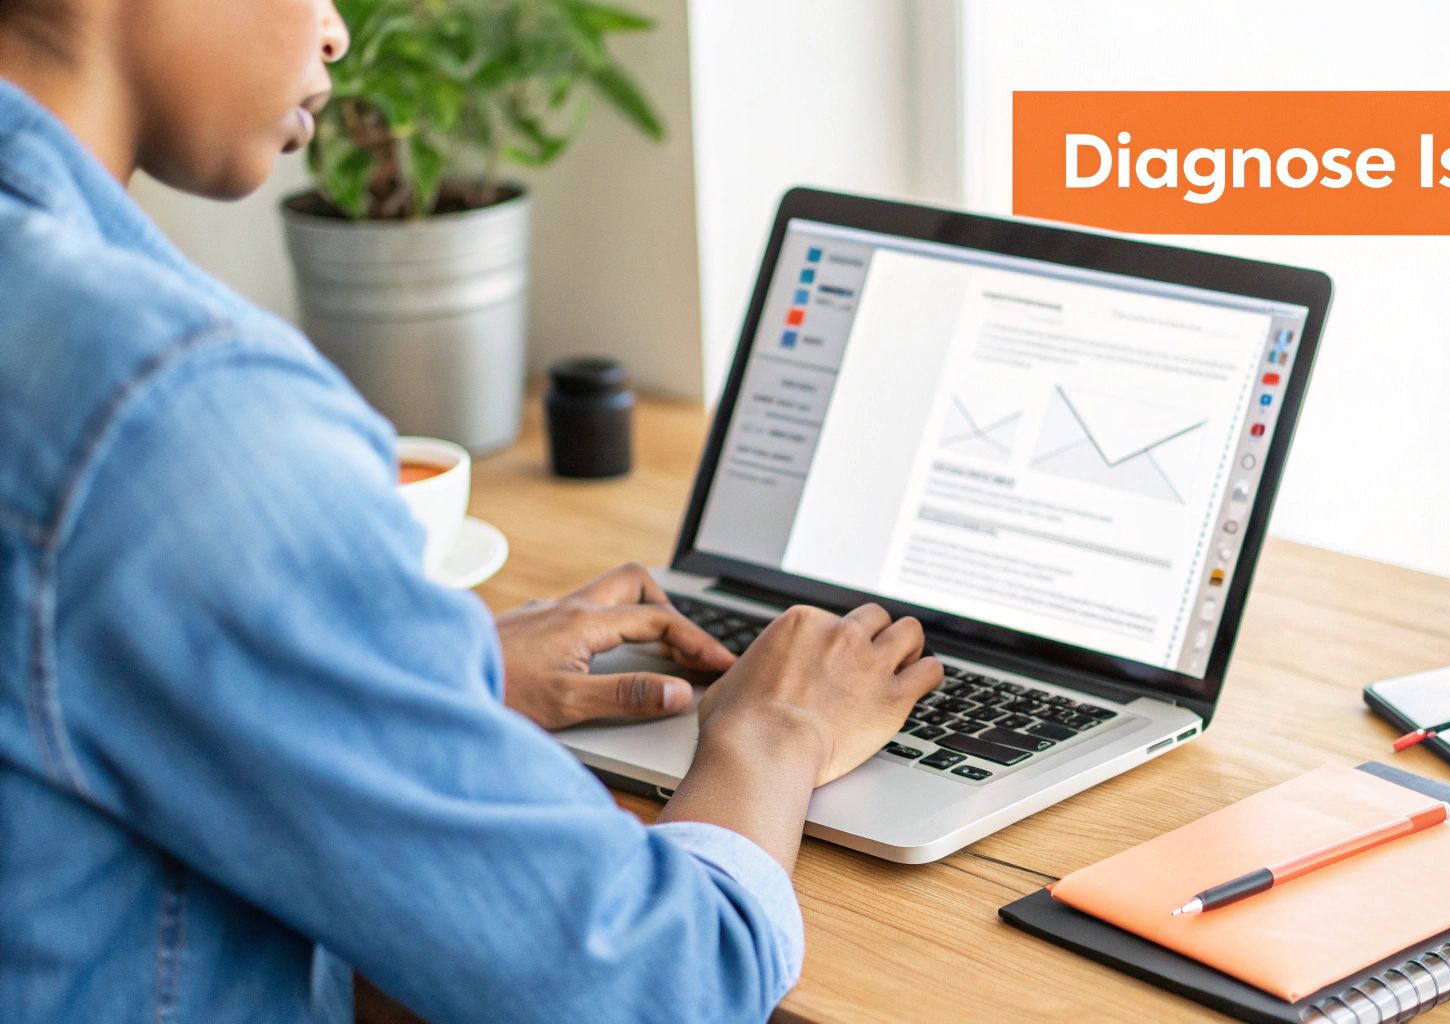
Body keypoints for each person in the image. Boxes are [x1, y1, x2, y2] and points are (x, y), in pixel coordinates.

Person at [0, 2, 941, 1021]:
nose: (336, 35)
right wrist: (775, 731)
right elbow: (658, 986)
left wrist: (395, 676)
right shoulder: (179, 409)